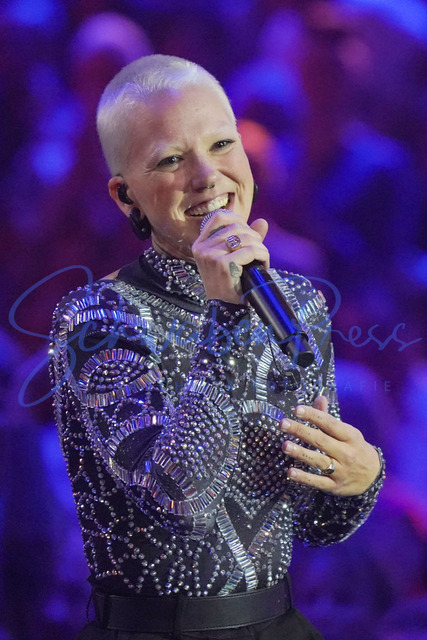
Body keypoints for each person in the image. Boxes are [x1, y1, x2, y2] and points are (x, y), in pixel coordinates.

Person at [49, 54, 385, 640]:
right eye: (171, 159)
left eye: (222, 144)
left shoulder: (297, 305)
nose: (207, 176)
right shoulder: (98, 318)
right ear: (126, 196)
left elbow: (316, 523)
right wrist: (227, 315)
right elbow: (180, 503)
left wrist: (362, 476)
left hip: (278, 624)